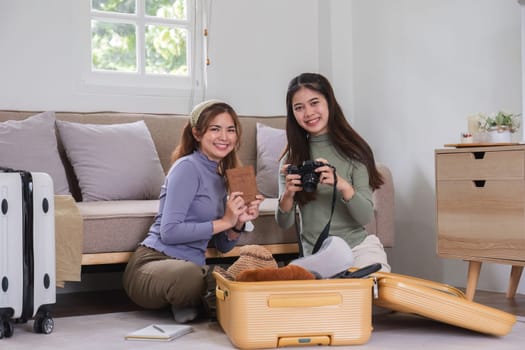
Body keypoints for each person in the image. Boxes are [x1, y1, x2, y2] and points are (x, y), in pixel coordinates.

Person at [123, 99, 264, 323]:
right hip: (154, 262)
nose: (224, 137)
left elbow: (222, 246)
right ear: (197, 134)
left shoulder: (222, 177)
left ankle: (190, 302)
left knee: (242, 276)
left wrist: (237, 222)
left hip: (194, 267)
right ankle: (195, 300)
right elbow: (170, 232)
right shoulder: (187, 167)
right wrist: (226, 221)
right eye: (215, 129)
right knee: (191, 276)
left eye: (230, 130)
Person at [276, 73, 391, 272]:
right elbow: (284, 223)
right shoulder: (291, 160)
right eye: (299, 107)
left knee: (370, 286)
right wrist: (288, 194)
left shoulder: (355, 152)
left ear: (329, 102)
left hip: (358, 248)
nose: (308, 113)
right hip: (318, 256)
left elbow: (364, 218)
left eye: (314, 103)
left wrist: (342, 185)